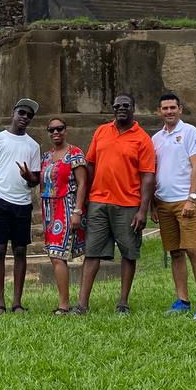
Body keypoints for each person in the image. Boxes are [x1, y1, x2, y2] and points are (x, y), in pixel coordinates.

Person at [73, 93, 155, 315]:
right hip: (99, 202)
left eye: (126, 105)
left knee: (128, 253)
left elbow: (148, 176)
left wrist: (143, 210)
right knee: (92, 253)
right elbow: (90, 164)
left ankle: (123, 302)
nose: (121, 109)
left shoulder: (142, 138)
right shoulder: (101, 131)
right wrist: (87, 197)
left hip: (128, 204)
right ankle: (82, 304)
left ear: (133, 108)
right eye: (117, 105)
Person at [151, 91, 196, 320]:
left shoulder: (189, 132)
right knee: (175, 252)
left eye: (172, 108)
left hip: (184, 201)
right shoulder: (155, 139)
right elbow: (155, 171)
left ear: (180, 109)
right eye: (165, 108)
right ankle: (182, 300)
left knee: (193, 250)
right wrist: (153, 205)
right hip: (163, 202)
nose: (169, 111)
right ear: (159, 112)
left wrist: (192, 198)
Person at [0, 97, 42, 314]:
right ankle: (0, 303)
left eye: (29, 115)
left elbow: (35, 180)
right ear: (13, 113)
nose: (25, 118)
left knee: (20, 251)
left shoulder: (33, 145)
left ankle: (17, 302)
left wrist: (28, 177)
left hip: (22, 204)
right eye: (22, 113)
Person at [39, 117, 88, 315]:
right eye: (51, 130)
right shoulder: (46, 156)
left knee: (59, 255)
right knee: (54, 255)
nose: (55, 132)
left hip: (66, 206)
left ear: (66, 130)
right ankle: (64, 302)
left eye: (59, 128)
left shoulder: (74, 153)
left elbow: (83, 183)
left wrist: (77, 210)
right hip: (48, 207)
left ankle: (63, 305)